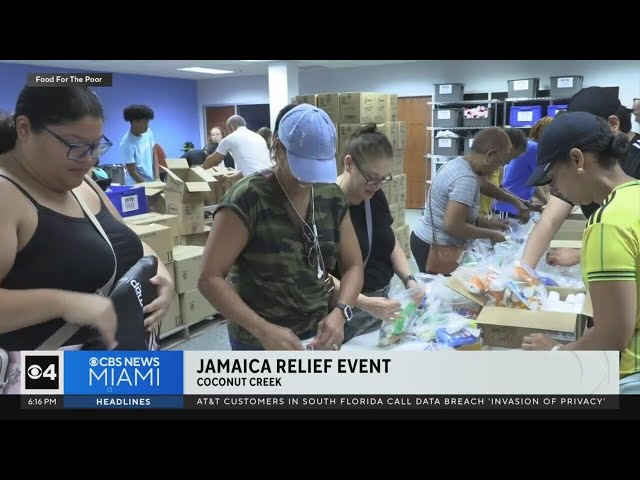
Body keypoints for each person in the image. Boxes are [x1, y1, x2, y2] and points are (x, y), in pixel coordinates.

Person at [0, 86, 174, 356]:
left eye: (97, 146)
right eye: (76, 146)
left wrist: (161, 274)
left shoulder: (81, 182)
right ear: (24, 129)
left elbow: (127, 240)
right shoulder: (7, 194)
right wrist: (63, 303)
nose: (90, 159)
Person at [198, 103, 363, 350]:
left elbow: (353, 266)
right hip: (258, 341)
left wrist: (340, 312)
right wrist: (261, 329)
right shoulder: (247, 199)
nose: (308, 180)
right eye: (301, 168)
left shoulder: (331, 196)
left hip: (318, 333)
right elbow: (209, 278)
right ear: (277, 147)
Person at [521, 111, 640, 393]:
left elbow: (613, 337)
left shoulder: (607, 222)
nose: (555, 188)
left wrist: (556, 352)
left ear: (577, 160)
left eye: (553, 178)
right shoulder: (635, 195)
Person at [521, 87, 640, 269]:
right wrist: (522, 272)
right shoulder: (576, 173)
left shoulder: (613, 214)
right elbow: (550, 220)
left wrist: (584, 253)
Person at [330, 124, 421, 342]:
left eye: (383, 179)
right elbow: (318, 274)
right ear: (349, 164)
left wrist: (409, 279)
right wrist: (363, 302)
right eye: (371, 177)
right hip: (345, 311)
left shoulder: (373, 196)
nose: (376, 185)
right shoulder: (328, 205)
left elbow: (389, 241)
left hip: (381, 305)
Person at [410, 127, 511, 273]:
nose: (497, 170)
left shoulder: (457, 164)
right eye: (500, 162)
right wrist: (492, 235)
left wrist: (490, 224)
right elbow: (453, 225)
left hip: (425, 239)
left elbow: (461, 215)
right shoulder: (465, 179)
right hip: (436, 247)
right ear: (490, 155)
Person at [477, 128, 535, 223]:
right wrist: (516, 202)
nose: (507, 162)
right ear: (507, 147)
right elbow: (484, 185)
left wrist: (524, 203)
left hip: (483, 219)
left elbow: (499, 188)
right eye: (511, 157)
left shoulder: (497, 167)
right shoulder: (478, 168)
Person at [493, 124, 550, 219]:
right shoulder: (533, 148)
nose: (508, 162)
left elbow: (532, 181)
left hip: (512, 205)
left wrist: (526, 204)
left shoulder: (529, 146)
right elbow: (546, 177)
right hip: (509, 208)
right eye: (511, 157)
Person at [201, 115, 271, 175]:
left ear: (231, 127)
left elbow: (214, 160)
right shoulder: (258, 137)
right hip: (269, 175)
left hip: (252, 180)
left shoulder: (230, 138)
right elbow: (252, 164)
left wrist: (199, 171)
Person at [119, 104, 157, 184]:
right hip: (136, 184)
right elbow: (133, 172)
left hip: (150, 181)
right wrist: (147, 187)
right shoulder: (126, 143)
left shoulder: (148, 133)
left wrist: (157, 179)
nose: (147, 126)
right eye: (145, 123)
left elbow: (154, 155)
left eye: (148, 122)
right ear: (135, 122)